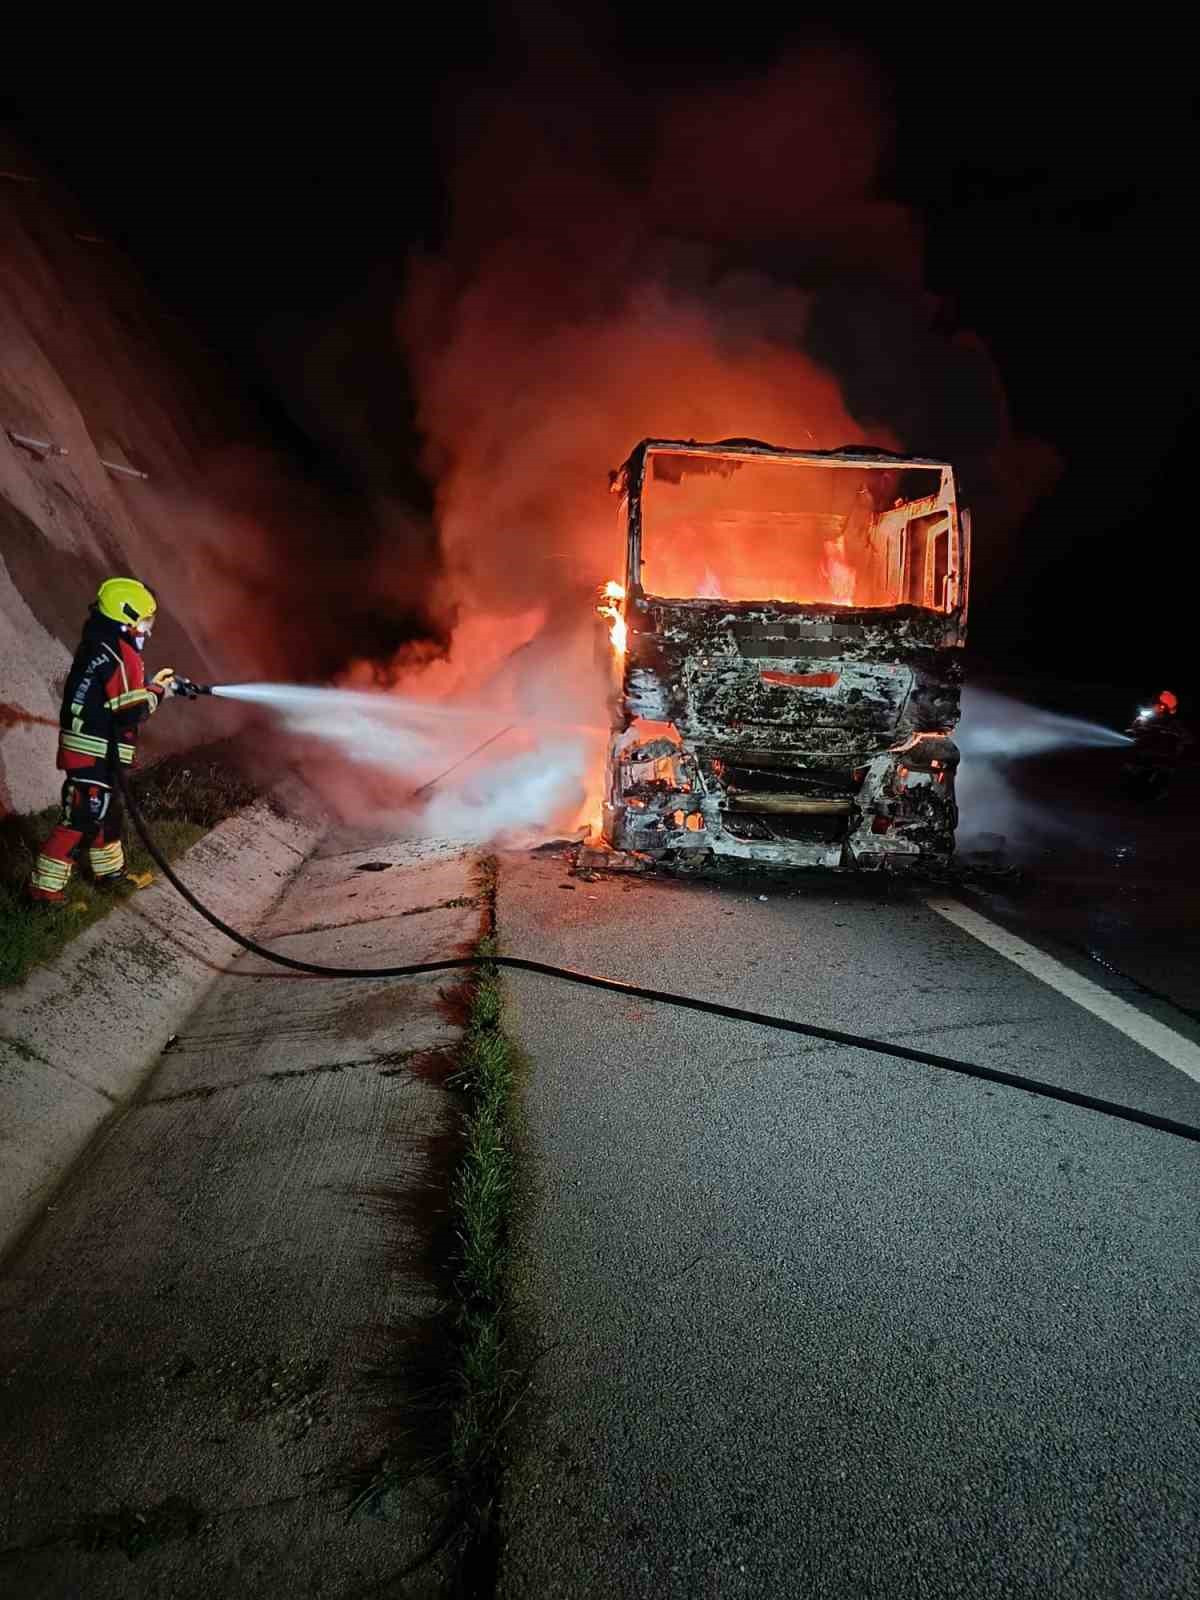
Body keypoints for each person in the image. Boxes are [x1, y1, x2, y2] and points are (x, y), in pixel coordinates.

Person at [29, 578, 176, 903]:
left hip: (96, 750)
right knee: (81, 818)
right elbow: (131, 711)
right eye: (144, 621)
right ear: (125, 618)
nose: (148, 630)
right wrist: (159, 691)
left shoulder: (102, 646)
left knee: (107, 815)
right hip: (92, 753)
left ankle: (109, 875)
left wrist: (155, 686)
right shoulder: (119, 655)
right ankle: (44, 891)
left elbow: (115, 699)